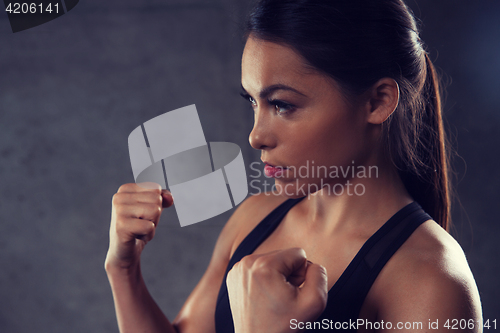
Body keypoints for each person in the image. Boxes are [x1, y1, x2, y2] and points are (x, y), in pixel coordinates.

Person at [104, 0, 483, 332]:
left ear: (377, 102)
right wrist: (124, 271)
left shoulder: (431, 281)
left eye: (282, 105)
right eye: (254, 102)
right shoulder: (254, 218)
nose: (256, 137)